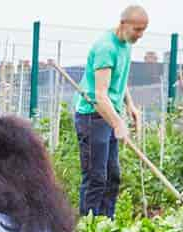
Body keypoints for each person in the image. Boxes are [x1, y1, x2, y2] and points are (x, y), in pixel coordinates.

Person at [73, 5, 148, 218]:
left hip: (109, 115)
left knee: (112, 176)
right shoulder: (106, 47)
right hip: (92, 116)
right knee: (95, 177)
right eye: (137, 29)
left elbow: (119, 80)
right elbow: (100, 95)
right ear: (123, 24)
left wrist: (129, 105)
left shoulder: (126, 44)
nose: (140, 35)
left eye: (143, 30)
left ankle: (107, 225)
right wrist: (118, 123)